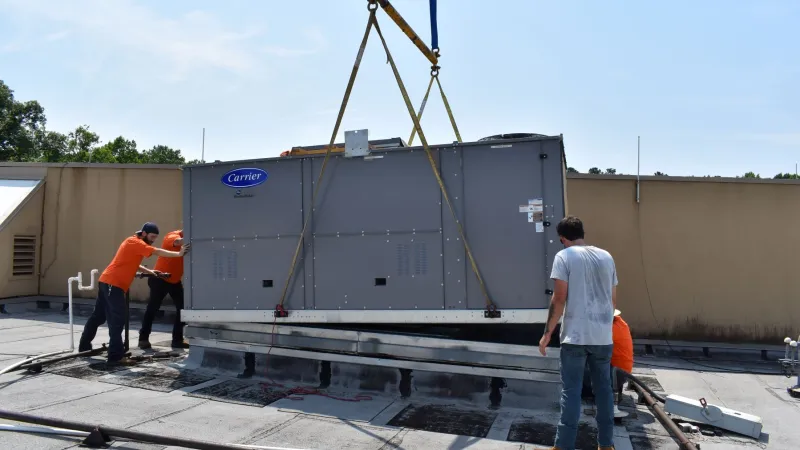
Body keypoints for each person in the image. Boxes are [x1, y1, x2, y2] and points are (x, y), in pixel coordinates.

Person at [539, 216, 618, 450]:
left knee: (571, 392)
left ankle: (563, 446)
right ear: (582, 233)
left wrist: (547, 333)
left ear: (563, 238)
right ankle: (606, 445)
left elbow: (560, 298)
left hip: (575, 337)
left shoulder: (564, 256)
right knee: (603, 391)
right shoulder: (607, 256)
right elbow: (612, 300)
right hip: (603, 337)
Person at [78, 223, 189, 366]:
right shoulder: (135, 242)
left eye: (155, 237)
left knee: (98, 316)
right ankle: (116, 356)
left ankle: (84, 347)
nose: (153, 239)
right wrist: (179, 254)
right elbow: (156, 251)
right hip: (114, 284)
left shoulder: (133, 242)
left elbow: (134, 263)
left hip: (108, 282)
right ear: (144, 233)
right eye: (152, 237)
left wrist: (151, 272)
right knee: (117, 320)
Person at [138, 229, 188, 350]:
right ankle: (143, 339)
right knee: (153, 308)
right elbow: (177, 242)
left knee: (183, 309)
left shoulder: (186, 239)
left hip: (174, 280)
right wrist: (196, 237)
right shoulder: (171, 235)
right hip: (160, 278)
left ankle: (177, 340)